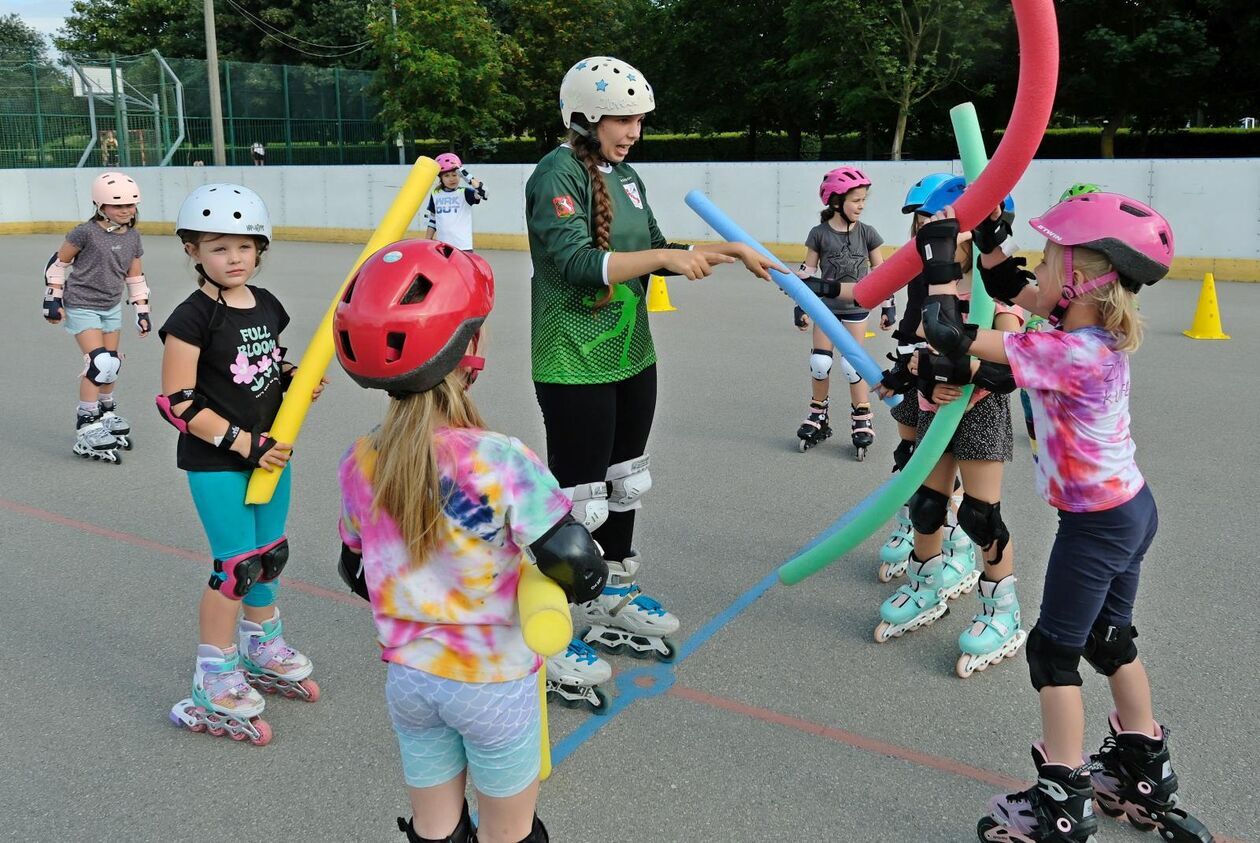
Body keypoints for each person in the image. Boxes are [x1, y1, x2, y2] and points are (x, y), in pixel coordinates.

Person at [918, 195, 1214, 842]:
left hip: (1097, 524)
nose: (1039, 270)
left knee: (1054, 653)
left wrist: (941, 260)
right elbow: (1010, 285)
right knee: (1112, 641)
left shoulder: (1069, 354)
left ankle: (1062, 800)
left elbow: (951, 332)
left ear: (1083, 281)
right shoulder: (1087, 329)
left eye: (1051, 260)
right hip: (1131, 509)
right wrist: (991, 245)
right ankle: (1142, 772)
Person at [526, 55, 780, 711]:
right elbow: (579, 263)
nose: (635, 129)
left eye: (639, 119)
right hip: (573, 357)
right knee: (577, 500)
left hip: (630, 351)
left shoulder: (627, 177)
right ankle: (546, 633)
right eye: (624, 118)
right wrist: (665, 257)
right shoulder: (555, 174)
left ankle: (610, 593)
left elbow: (660, 243)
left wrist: (729, 251)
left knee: (623, 479)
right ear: (585, 116)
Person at [333, 238, 608, 843]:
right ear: (470, 347)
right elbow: (578, 564)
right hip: (492, 681)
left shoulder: (360, 462)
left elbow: (356, 572)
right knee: (508, 834)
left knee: (435, 831)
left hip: (410, 679)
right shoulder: (499, 459)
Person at [159, 183, 325, 746]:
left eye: (244, 247)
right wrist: (242, 444)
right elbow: (177, 402)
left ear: (260, 248)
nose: (234, 258)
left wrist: (294, 379)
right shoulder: (191, 318)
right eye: (218, 247)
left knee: (269, 558)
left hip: (272, 451)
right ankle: (214, 675)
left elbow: (267, 362)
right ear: (193, 251)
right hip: (218, 461)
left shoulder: (268, 303)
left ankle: (262, 646)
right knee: (235, 567)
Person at [872, 178, 1025, 680]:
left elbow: (1010, 365)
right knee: (927, 504)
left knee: (981, 516)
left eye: (943, 227)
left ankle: (1001, 610)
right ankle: (925, 583)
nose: (930, 234)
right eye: (927, 226)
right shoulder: (930, 282)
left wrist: (953, 371)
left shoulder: (995, 290)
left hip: (979, 410)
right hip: (932, 407)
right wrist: (920, 373)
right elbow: (913, 344)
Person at [874, 172, 954, 578]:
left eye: (931, 216)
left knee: (937, 459)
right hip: (914, 365)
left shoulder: (959, 262)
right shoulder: (917, 254)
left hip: (944, 374)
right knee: (908, 454)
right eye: (919, 217)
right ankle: (912, 523)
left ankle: (948, 535)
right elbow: (910, 317)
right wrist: (899, 369)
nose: (924, 224)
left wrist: (918, 368)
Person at [43, 171, 149, 464]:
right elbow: (58, 263)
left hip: (111, 306)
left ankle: (106, 412)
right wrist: (53, 300)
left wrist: (142, 310)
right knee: (99, 362)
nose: (125, 210)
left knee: (112, 364)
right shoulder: (84, 232)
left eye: (130, 205)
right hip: (81, 303)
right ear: (100, 205)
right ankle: (86, 424)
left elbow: (135, 275)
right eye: (118, 205)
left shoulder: (133, 237)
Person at [793, 166, 893, 460]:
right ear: (836, 202)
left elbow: (883, 272)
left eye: (864, 200)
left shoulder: (868, 233)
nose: (861, 206)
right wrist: (800, 306)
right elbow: (806, 272)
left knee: (853, 366)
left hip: (856, 310)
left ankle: (862, 414)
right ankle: (818, 414)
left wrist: (889, 305)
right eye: (856, 200)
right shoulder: (819, 234)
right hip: (825, 310)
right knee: (819, 363)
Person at [424, 153, 486, 252]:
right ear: (441, 178)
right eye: (447, 176)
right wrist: (427, 242)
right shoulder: (436, 194)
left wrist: (464, 173)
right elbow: (433, 220)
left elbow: (483, 192)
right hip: (443, 247)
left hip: (463, 247)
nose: (452, 178)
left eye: (455, 174)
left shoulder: (465, 193)